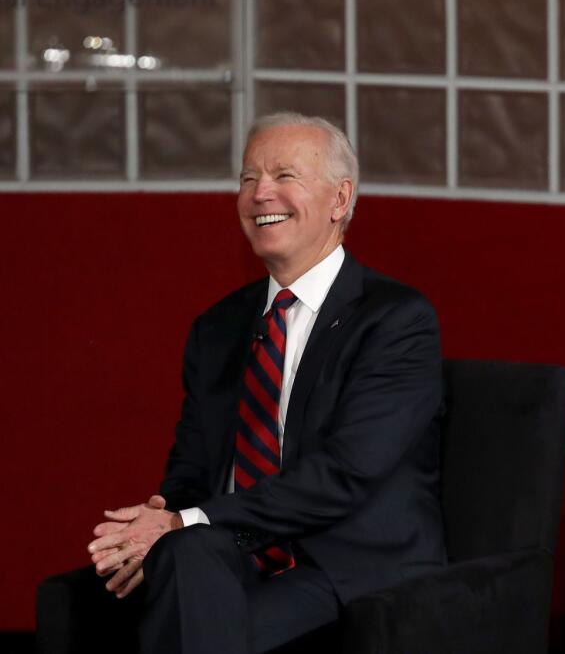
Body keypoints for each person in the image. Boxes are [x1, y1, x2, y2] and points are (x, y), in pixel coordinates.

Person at [84, 112, 446, 653]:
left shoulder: (394, 320)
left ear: (339, 201)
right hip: (234, 550)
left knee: (197, 621)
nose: (260, 194)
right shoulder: (218, 327)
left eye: (284, 176)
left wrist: (185, 521)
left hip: (345, 560)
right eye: (248, 179)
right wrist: (158, 528)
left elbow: (346, 475)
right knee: (178, 563)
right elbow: (192, 473)